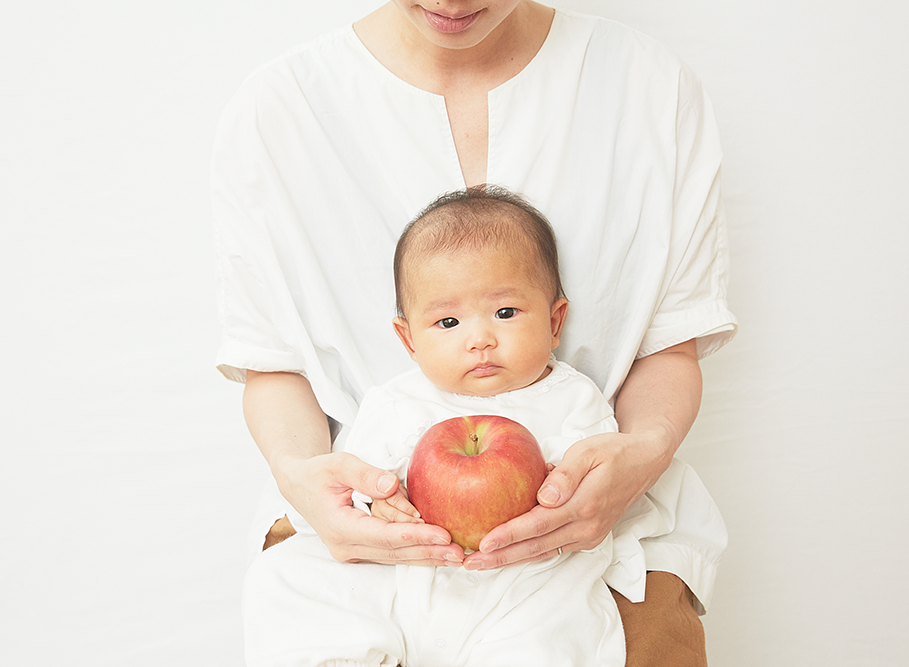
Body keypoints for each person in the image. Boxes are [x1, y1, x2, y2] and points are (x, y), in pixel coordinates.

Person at [212, 3, 737, 664]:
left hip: (581, 540)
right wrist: (305, 478)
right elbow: (273, 364)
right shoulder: (275, 113)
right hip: (364, 540)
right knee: (288, 593)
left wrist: (640, 451)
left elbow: (670, 345)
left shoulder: (650, 88)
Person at [244, 186, 722, 667]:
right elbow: (364, 476)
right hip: (407, 567)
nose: (479, 339)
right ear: (408, 339)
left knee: (557, 628)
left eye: (506, 313)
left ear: (555, 322)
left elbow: (594, 473)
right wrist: (384, 502)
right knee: (289, 577)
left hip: (527, 571)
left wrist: (559, 482)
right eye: (448, 322)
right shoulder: (394, 400)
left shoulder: (573, 397)